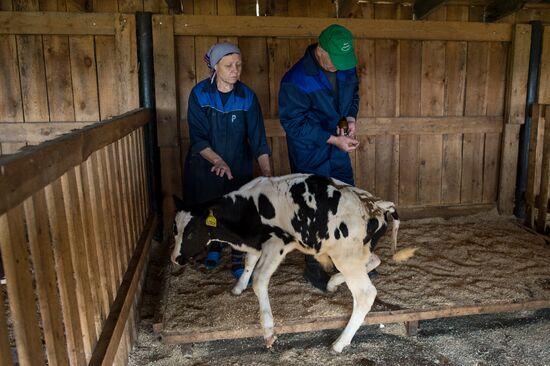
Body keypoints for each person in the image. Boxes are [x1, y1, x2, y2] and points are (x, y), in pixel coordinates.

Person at [278, 24, 362, 291]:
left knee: (345, 199)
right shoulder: (296, 79)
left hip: (336, 147)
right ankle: (316, 269)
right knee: (314, 209)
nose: (339, 67)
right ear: (321, 50)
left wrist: (350, 118)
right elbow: (293, 123)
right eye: (335, 61)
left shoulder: (345, 66)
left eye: (343, 62)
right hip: (310, 150)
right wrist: (333, 139)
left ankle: (348, 264)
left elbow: (353, 94)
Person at [183, 42, 272, 279]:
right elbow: (198, 137)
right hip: (205, 165)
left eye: (239, 65)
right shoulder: (200, 94)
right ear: (215, 67)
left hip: (238, 167)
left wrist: (266, 171)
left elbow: (258, 138)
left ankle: (236, 255)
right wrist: (217, 161)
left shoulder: (247, 97)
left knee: (237, 212)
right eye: (229, 65)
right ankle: (214, 246)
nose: (236, 70)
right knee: (211, 208)